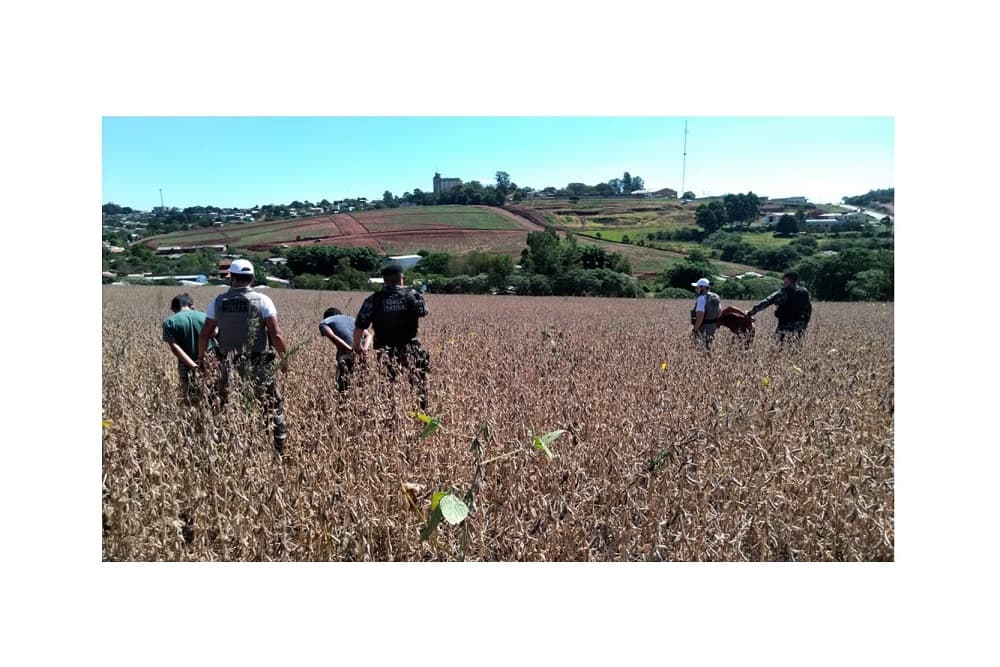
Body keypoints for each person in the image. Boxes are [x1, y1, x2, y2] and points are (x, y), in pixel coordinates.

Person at [196, 259, 290, 454]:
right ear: (253, 278)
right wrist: (284, 359)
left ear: (231, 278)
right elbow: (276, 334)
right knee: (271, 406)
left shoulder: (218, 302)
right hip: (258, 365)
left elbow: (205, 334)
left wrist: (202, 360)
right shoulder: (263, 301)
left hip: (227, 365)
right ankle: (278, 451)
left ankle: (223, 448)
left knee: (222, 406)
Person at [353, 263, 430, 409]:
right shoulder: (413, 295)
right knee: (419, 384)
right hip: (410, 347)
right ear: (401, 278)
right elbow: (424, 312)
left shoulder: (373, 299)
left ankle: (390, 417)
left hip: (384, 349)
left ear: (384, 280)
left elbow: (360, 325)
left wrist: (357, 346)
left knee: (388, 385)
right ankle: (422, 415)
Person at [162, 293, 211, 402]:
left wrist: (194, 366)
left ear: (173, 308)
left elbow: (174, 347)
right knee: (211, 396)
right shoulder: (206, 317)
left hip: (187, 367)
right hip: (210, 364)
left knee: (190, 398)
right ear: (192, 306)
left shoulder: (170, 322)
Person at [747, 270, 813, 344]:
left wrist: (751, 312)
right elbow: (809, 308)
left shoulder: (783, 292)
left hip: (785, 325)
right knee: (796, 348)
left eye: (784, 280)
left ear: (788, 280)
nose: (783, 282)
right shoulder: (804, 291)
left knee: (777, 346)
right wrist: (805, 322)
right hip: (800, 325)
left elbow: (766, 301)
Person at [318, 307, 371, 393]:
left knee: (343, 389)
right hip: (362, 356)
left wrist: (350, 350)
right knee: (361, 389)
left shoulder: (325, 322)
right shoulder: (352, 319)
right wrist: (364, 350)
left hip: (347, 357)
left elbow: (332, 337)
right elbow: (368, 335)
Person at [690, 277, 721, 349]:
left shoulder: (701, 298)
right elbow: (719, 313)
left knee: (700, 349)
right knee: (709, 347)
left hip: (702, 327)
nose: (696, 289)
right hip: (712, 327)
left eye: (697, 287)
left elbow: (700, 317)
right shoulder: (716, 296)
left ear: (702, 288)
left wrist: (694, 330)